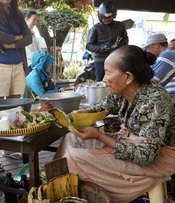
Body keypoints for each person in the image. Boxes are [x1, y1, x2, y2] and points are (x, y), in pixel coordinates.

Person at [54, 45, 175, 203]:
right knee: (71, 139)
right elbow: (102, 107)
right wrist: (86, 113)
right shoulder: (122, 93)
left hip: (159, 155)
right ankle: (60, 189)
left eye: (108, 73)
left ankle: (75, 193)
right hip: (129, 142)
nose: (103, 79)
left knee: (72, 158)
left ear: (128, 77)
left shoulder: (156, 100)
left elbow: (146, 156)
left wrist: (99, 136)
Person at [0, 0, 32, 172]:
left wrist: (11, 44)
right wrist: (17, 38)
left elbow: (29, 37)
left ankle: (9, 149)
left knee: (14, 111)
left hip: (18, 66)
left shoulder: (16, 13)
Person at [86, 1, 128, 82]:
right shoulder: (95, 28)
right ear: (100, 17)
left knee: (117, 81)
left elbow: (125, 40)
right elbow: (88, 45)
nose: (106, 20)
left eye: (109, 18)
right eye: (104, 18)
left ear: (113, 16)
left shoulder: (120, 26)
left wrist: (119, 46)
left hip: (116, 60)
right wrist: (102, 48)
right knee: (102, 83)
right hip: (101, 60)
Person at [144, 33, 175, 98]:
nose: (148, 50)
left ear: (156, 45)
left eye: (149, 47)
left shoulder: (166, 55)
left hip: (170, 96)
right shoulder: (168, 54)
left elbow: (153, 80)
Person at [24, 10, 43, 74]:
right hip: (29, 65)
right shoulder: (22, 34)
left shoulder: (33, 34)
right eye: (33, 19)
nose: (35, 22)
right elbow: (27, 51)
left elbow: (38, 49)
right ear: (27, 19)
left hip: (36, 65)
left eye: (36, 20)